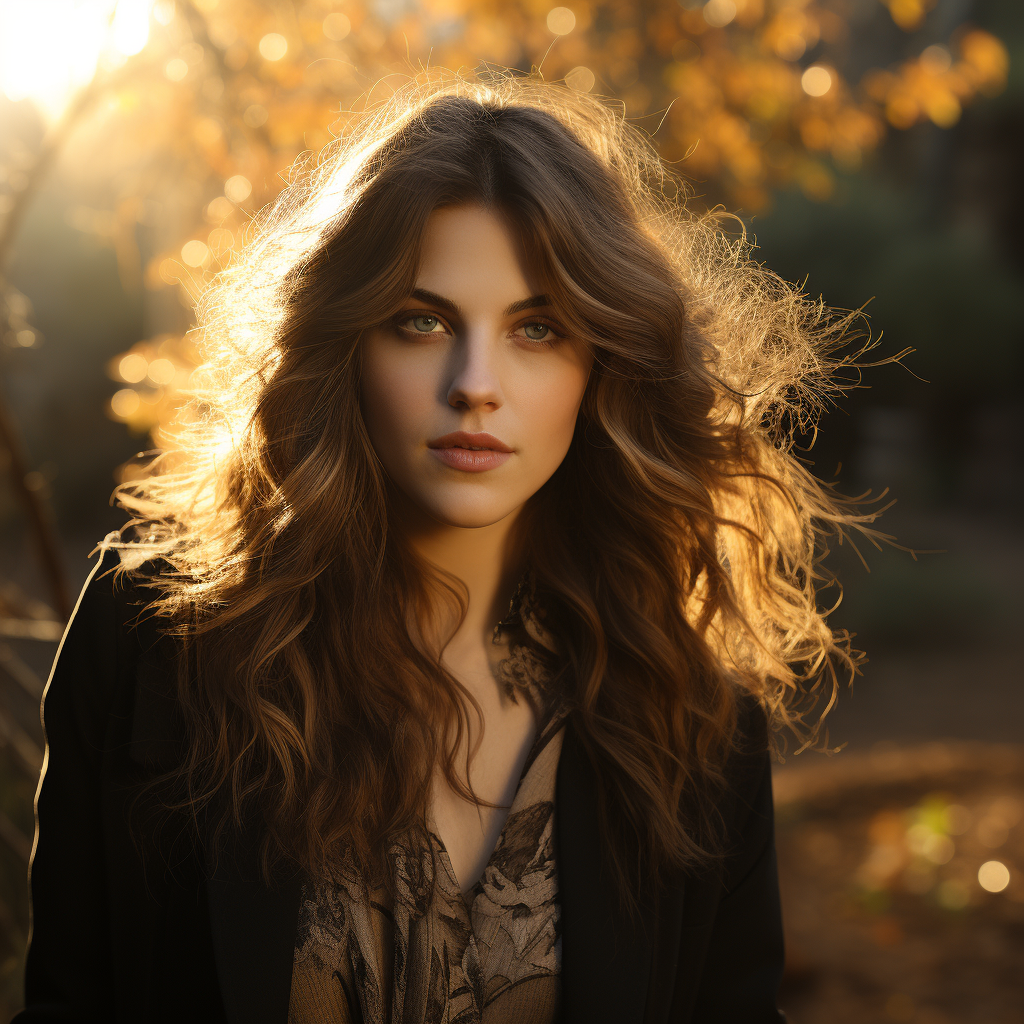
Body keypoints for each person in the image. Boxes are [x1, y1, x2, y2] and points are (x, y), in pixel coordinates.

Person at [18, 71, 870, 1023]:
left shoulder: (695, 725)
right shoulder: (154, 647)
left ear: (606, 365)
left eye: (536, 329)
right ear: (344, 345)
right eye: (420, 322)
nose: (475, 384)